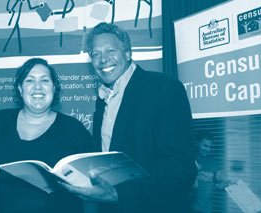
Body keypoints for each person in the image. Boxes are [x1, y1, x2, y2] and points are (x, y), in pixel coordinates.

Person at [61, 22, 197, 213]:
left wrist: (119, 195)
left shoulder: (164, 89)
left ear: (127, 53)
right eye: (96, 54)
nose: (103, 59)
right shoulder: (103, 99)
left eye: (110, 51)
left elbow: (180, 167)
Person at [0, 58, 96, 213]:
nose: (38, 87)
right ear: (20, 89)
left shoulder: (74, 130)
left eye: (45, 80)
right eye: (30, 80)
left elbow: (91, 187)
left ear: (54, 88)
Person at [191, 131, 229, 213]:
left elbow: (217, 185)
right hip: (190, 208)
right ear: (197, 142)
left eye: (210, 147)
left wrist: (226, 185)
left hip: (207, 209)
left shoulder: (213, 163)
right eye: (205, 146)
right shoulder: (189, 161)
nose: (208, 149)